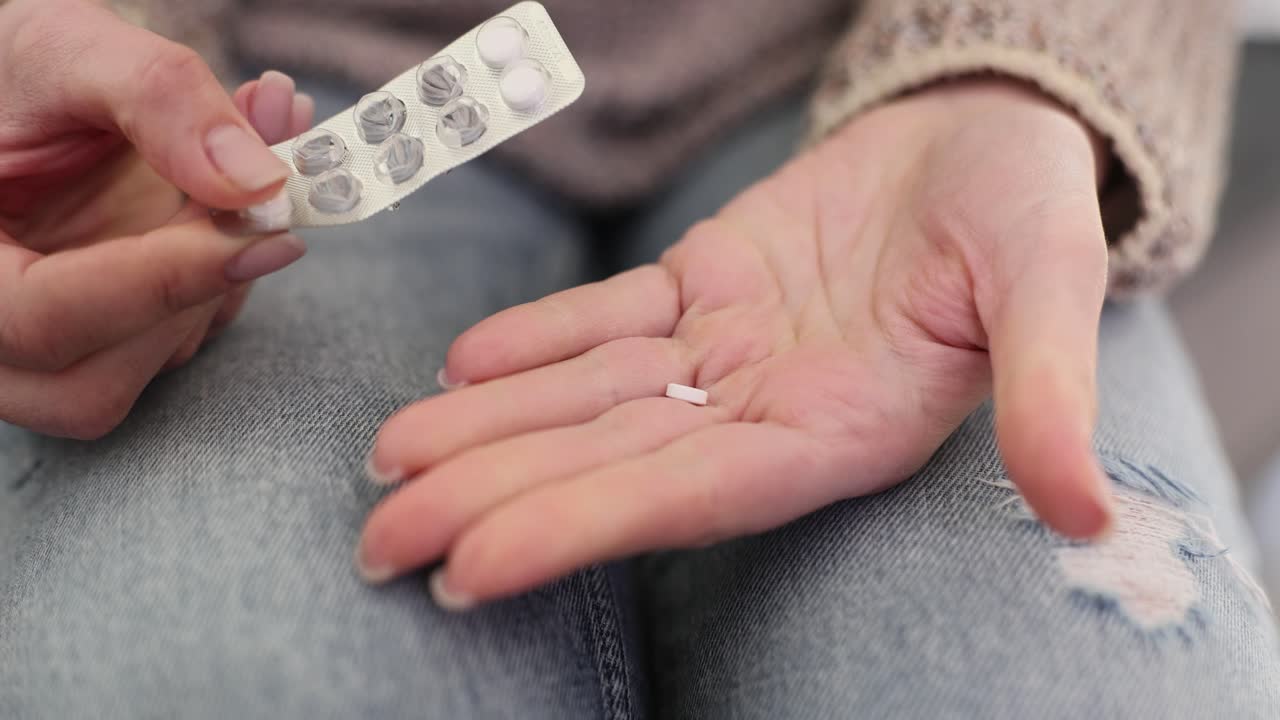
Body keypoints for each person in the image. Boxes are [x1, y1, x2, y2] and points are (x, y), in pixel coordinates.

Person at [0, 0, 1275, 717]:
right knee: (219, 687)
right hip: (291, 76)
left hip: (886, 85)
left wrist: (1025, 71)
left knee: (1095, 687)